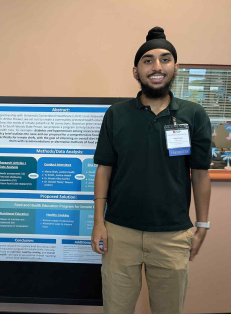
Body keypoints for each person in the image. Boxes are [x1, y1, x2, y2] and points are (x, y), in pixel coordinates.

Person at [91, 27, 211, 314]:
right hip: (120, 233)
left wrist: (203, 225)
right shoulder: (117, 114)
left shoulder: (193, 115)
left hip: (172, 235)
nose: (157, 67)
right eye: (148, 60)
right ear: (136, 71)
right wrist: (99, 222)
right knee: (116, 310)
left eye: (165, 59)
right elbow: (104, 169)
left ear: (175, 67)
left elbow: (200, 173)